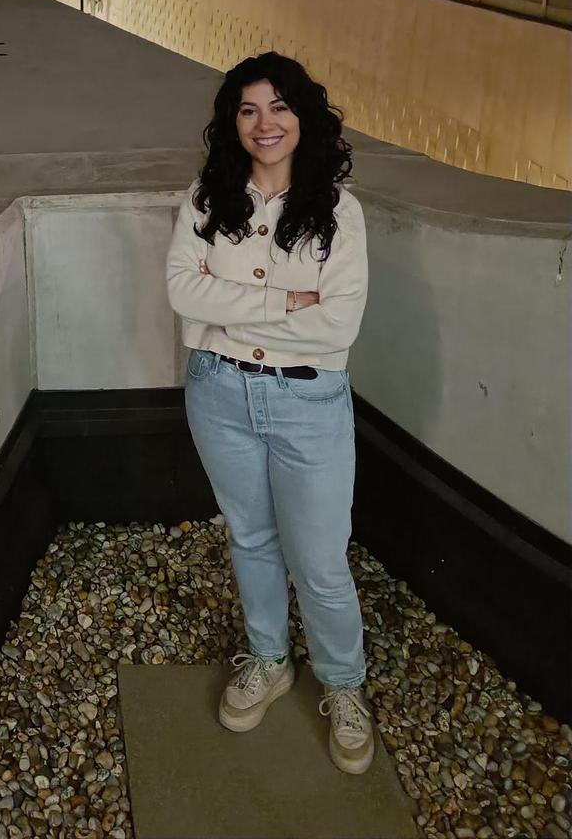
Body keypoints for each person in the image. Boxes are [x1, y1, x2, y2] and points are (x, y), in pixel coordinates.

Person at [166, 51, 374, 775]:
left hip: (308, 400)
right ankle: (269, 658)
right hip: (218, 391)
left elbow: (338, 327)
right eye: (249, 110)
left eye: (279, 107)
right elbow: (181, 294)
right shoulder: (206, 197)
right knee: (251, 538)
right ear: (233, 122)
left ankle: (343, 684)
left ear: (303, 119)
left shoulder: (338, 212)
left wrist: (232, 313)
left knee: (319, 561)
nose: (265, 124)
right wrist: (284, 304)